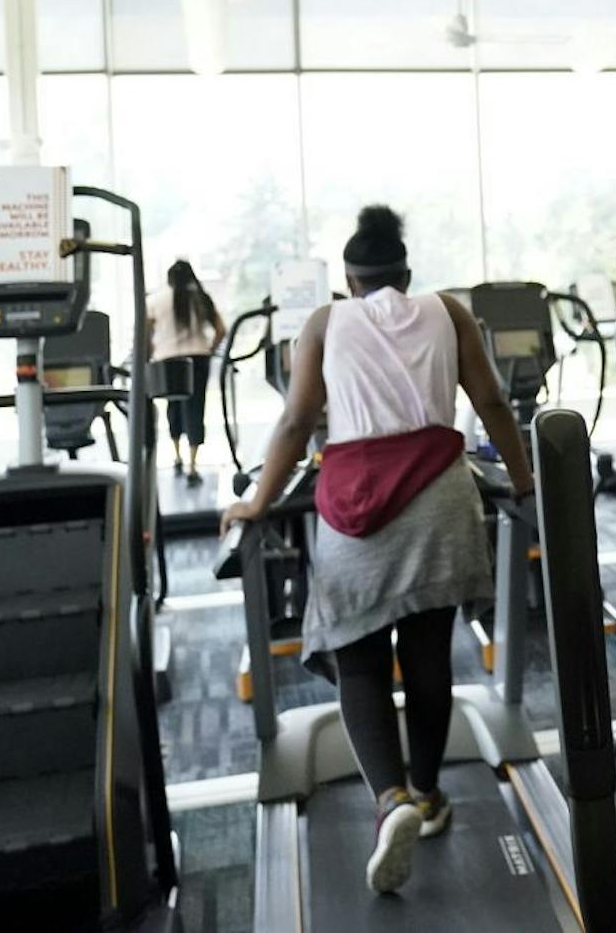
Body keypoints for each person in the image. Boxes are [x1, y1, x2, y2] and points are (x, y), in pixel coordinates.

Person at [219, 205, 534, 896]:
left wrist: (258, 503)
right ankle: (426, 796)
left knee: (359, 660)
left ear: (349, 280)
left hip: (355, 509)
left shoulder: (325, 323)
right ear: (406, 273)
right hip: (441, 503)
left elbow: (298, 421)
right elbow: (493, 405)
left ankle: (389, 799)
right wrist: (526, 478)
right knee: (426, 658)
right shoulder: (447, 311)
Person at [146, 260, 226, 485]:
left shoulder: (156, 300)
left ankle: (177, 455)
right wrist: (210, 348)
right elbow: (221, 329)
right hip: (198, 358)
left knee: (173, 407)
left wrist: (152, 351)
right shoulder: (201, 298)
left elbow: (145, 332)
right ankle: (193, 465)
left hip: (168, 360)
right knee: (195, 407)